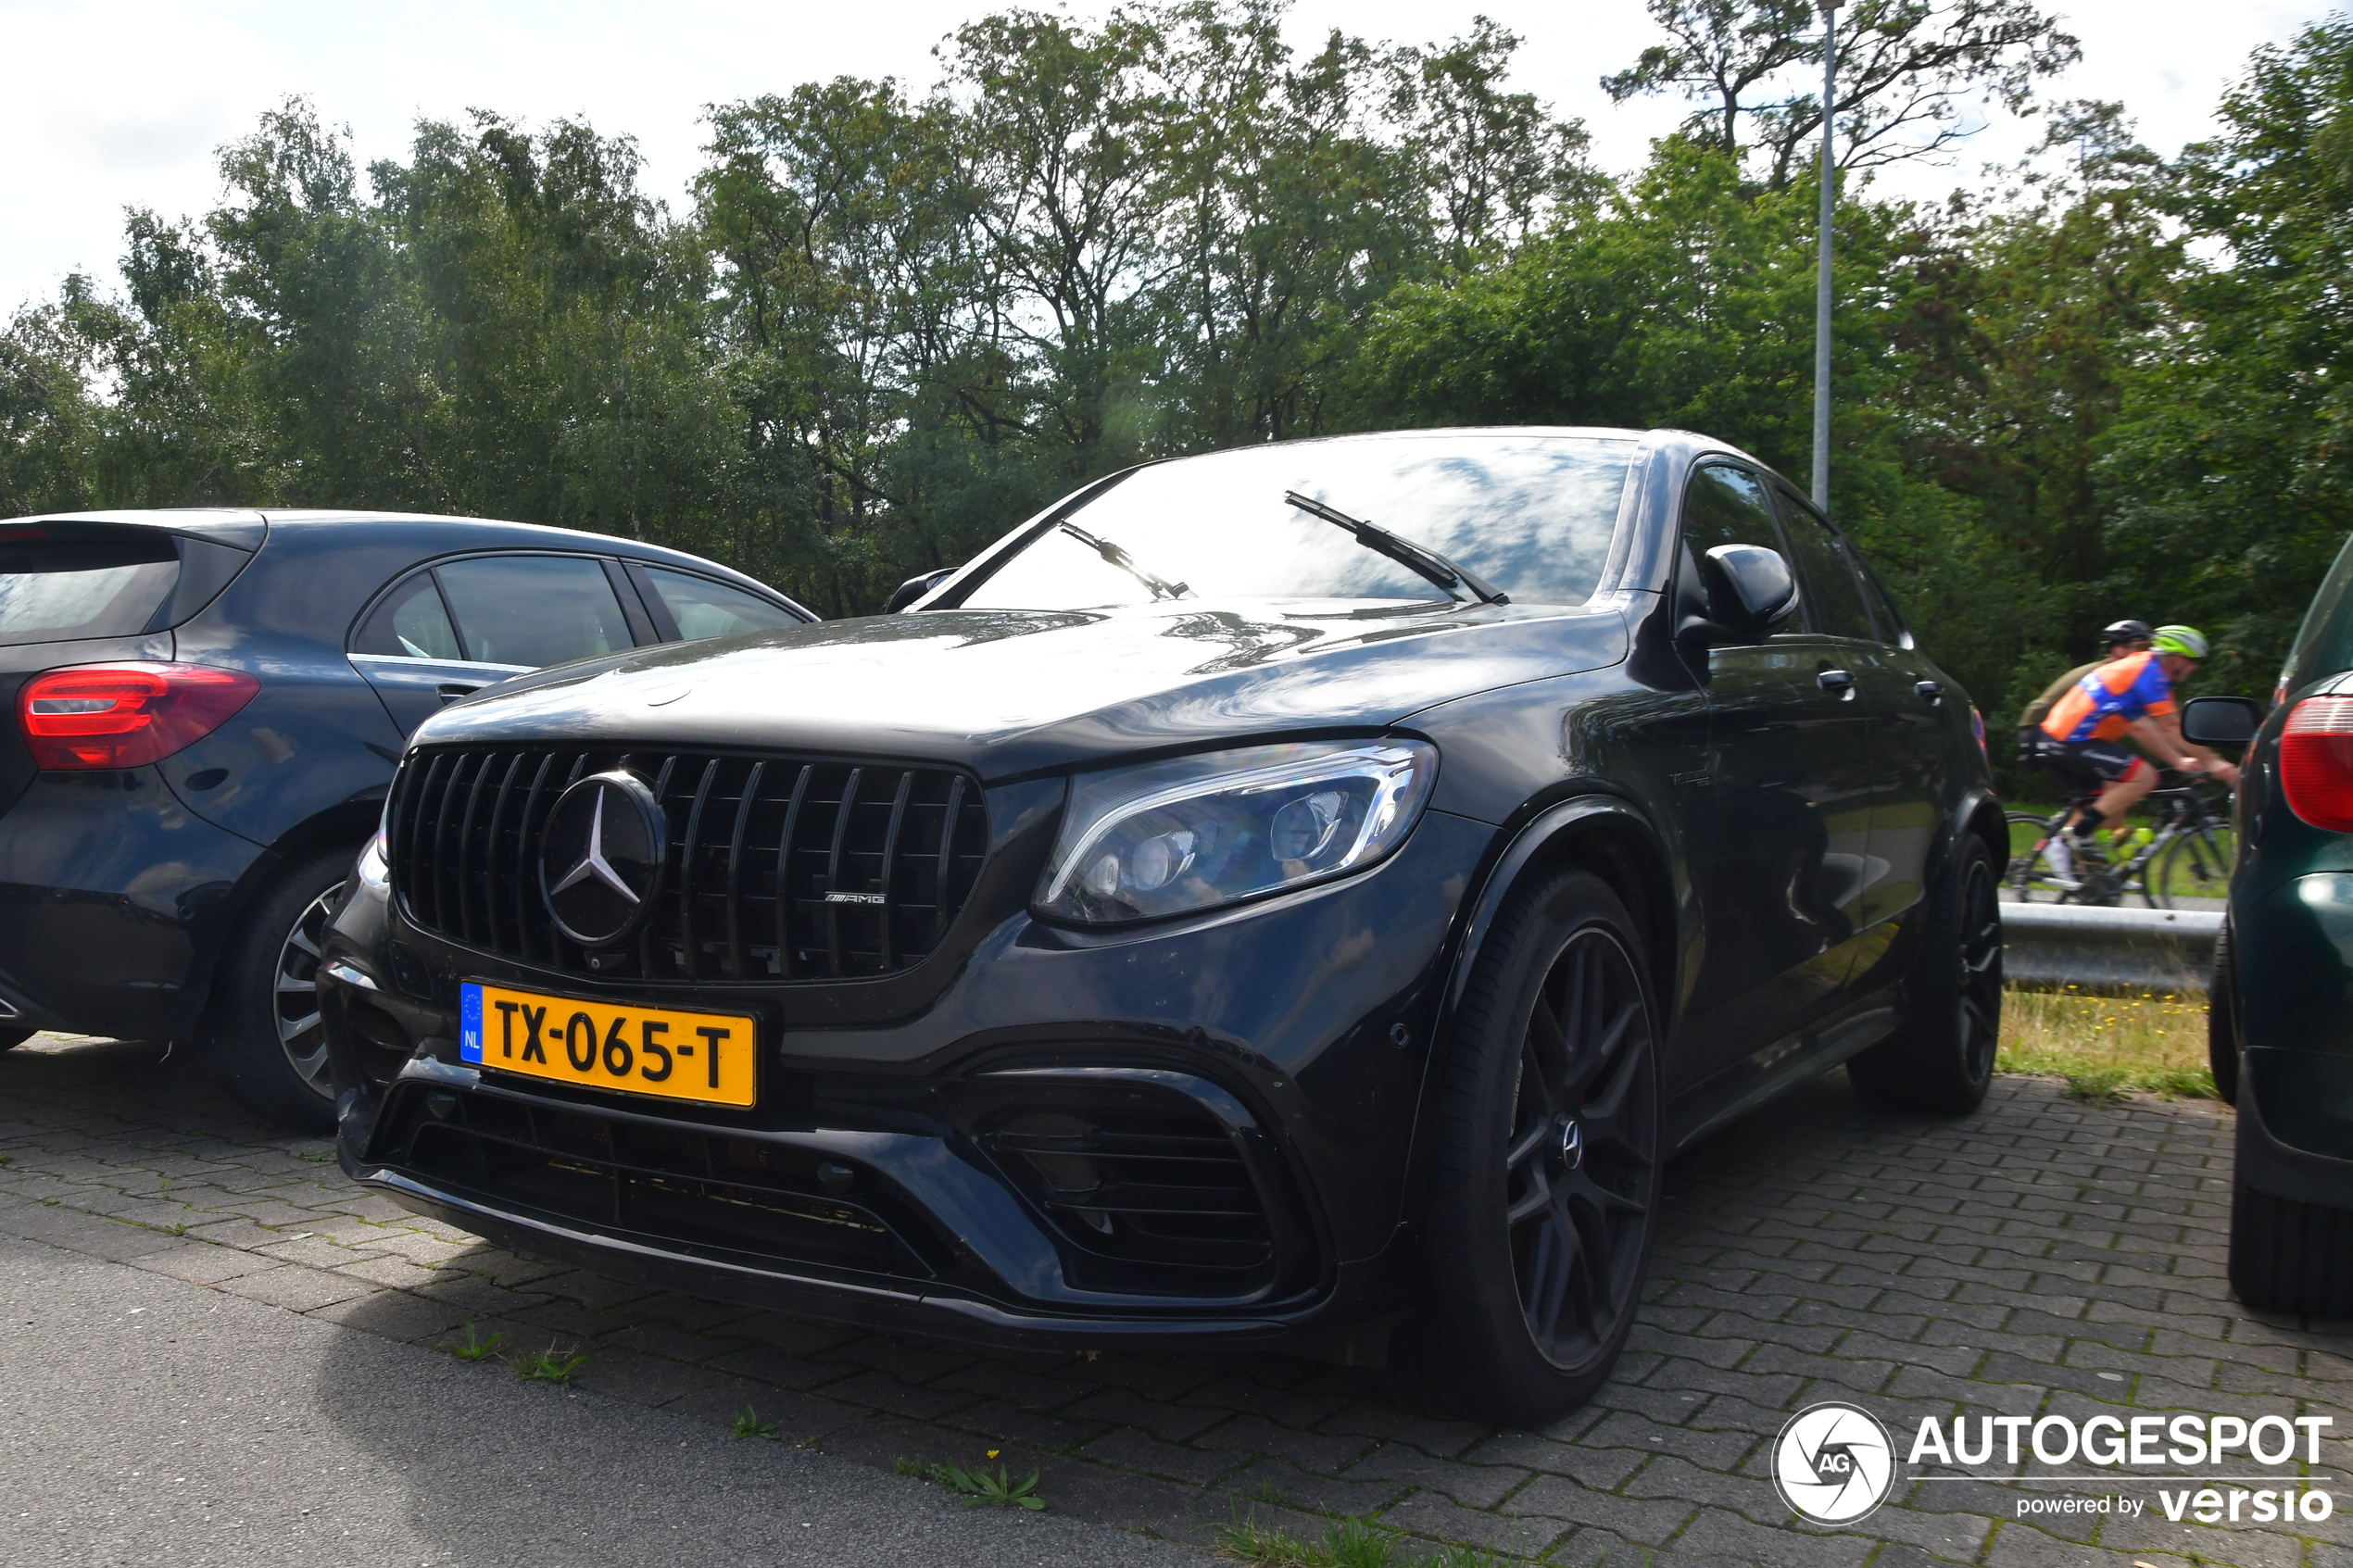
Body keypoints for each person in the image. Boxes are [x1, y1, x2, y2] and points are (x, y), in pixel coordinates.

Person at [2037, 624, 2242, 884]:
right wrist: (2214, 762)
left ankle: (2095, 877)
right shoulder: (2149, 673)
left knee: (2118, 791)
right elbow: (2171, 726)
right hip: (2071, 738)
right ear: (2175, 656)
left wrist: (2178, 760)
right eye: (2192, 661)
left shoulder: (2144, 669)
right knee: (2144, 777)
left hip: (2076, 737)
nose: (2194, 668)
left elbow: (2146, 730)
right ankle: (2071, 837)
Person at [2016, 620, 2152, 759]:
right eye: (2141, 648)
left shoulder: (2118, 672)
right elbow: (2138, 724)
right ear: (2118, 649)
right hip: (2044, 732)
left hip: (2064, 734)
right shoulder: (2106, 673)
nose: (2147, 655)